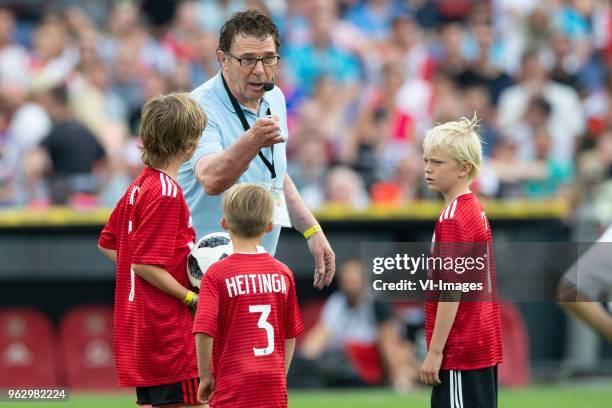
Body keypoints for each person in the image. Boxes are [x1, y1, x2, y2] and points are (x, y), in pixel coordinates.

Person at [177, 9, 335, 289]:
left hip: (255, 269)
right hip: (203, 275)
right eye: (248, 60)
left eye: (268, 58)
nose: (260, 70)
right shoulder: (199, 108)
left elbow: (275, 172)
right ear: (222, 60)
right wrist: (253, 139)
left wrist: (312, 230)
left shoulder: (274, 96)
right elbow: (211, 179)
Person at [98, 93, 208, 407]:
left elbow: (108, 243)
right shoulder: (167, 192)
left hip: (141, 325)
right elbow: (144, 265)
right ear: (189, 146)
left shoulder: (140, 184)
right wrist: (190, 297)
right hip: (168, 329)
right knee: (196, 401)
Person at [194, 183, 304, 407]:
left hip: (233, 381)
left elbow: (204, 330)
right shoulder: (283, 273)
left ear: (224, 223)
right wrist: (280, 374)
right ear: (270, 226)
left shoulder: (216, 274)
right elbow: (290, 334)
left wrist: (205, 377)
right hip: (272, 381)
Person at [420, 116, 503, 408]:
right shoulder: (473, 208)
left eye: (438, 162)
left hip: (461, 349)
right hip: (479, 343)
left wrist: (435, 351)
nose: (428, 169)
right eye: (426, 160)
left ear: (464, 168)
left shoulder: (453, 217)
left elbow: (452, 290)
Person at [297, 258, 418, 391]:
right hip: (349, 359)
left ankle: (403, 377)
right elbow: (322, 332)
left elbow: (388, 339)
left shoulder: (377, 301)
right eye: (346, 281)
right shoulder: (337, 302)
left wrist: (396, 374)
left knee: (402, 353)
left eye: (354, 281)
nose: (350, 286)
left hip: (377, 355)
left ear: (364, 281)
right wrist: (303, 359)